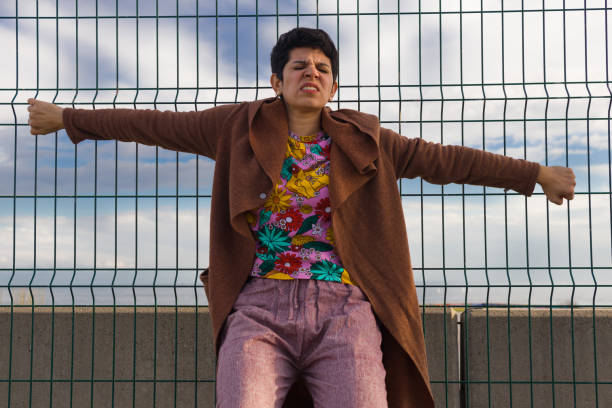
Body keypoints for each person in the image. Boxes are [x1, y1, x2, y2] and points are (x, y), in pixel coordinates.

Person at [27, 27, 575, 408]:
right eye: (298, 66)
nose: (310, 73)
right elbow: (155, 125)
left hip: (345, 311)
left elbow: (449, 161)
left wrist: (534, 175)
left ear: (333, 87)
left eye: (322, 68)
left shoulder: (369, 143)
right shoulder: (234, 128)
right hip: (258, 309)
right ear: (276, 81)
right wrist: (69, 118)